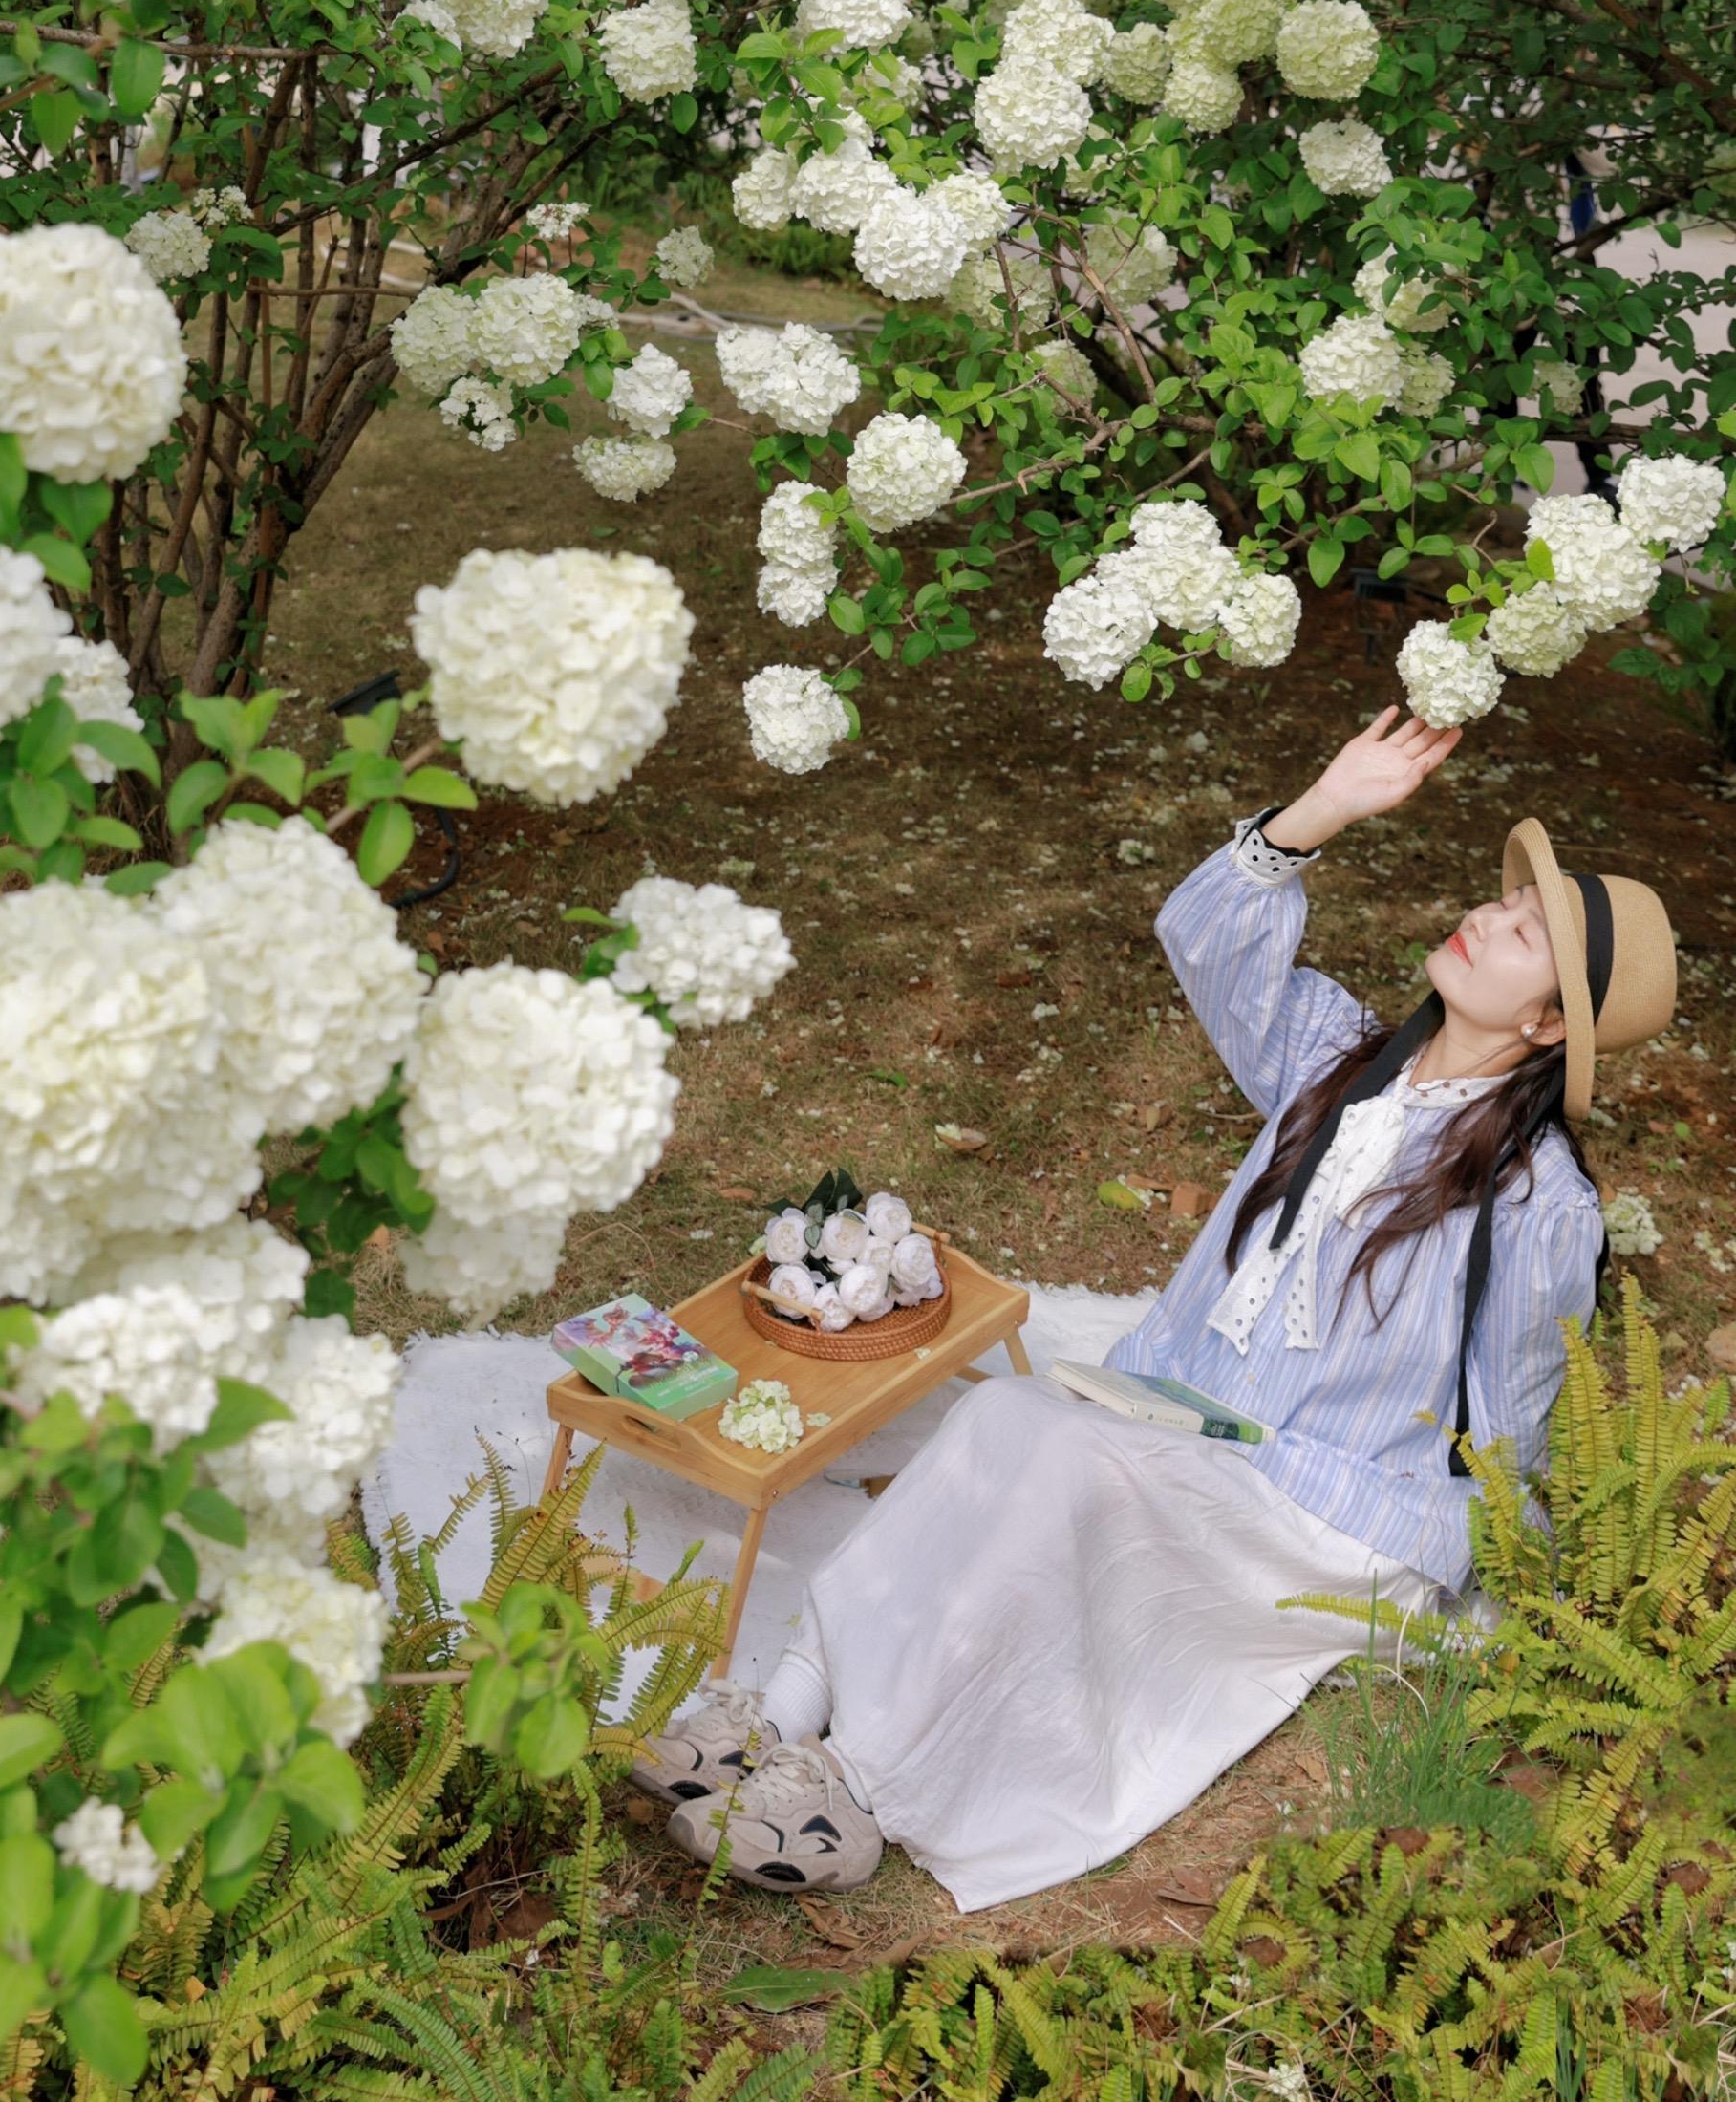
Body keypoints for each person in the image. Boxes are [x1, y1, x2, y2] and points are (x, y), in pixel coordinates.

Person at [634, 707, 1676, 1908]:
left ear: (1549, 1023)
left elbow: (1511, 1419)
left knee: (1065, 1462)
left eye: (1523, 933)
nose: (1485, 919)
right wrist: (1322, 807)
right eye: (1503, 902)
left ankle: (860, 1791)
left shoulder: (1538, 1202)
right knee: (998, 1422)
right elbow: (1205, 940)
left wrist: (1498, 1588)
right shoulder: (1337, 1059)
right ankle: (774, 1715)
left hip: (1326, 1506)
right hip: (1181, 1417)